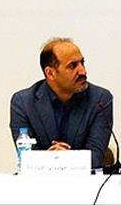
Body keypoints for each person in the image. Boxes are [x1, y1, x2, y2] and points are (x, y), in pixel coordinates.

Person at [10, 37, 112, 169]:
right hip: (40, 179)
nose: (83, 71)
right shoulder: (23, 103)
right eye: (72, 66)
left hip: (85, 180)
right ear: (50, 73)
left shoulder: (100, 100)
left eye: (82, 63)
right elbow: (27, 157)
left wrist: (64, 158)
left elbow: (96, 156)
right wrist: (59, 159)